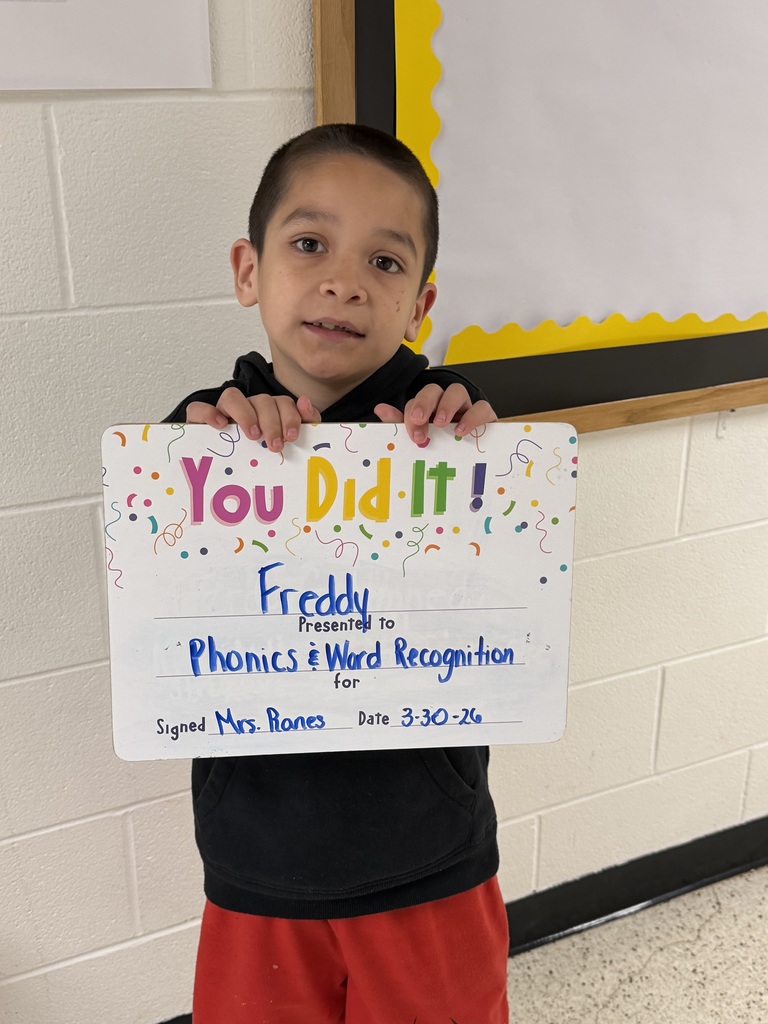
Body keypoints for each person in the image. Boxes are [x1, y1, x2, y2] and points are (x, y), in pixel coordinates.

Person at [165, 123, 509, 1024]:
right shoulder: (199, 438)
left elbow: (505, 573)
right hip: (257, 864)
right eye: (309, 244)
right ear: (250, 270)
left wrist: (471, 428)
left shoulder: (450, 431)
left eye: (385, 264)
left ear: (420, 303)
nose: (343, 281)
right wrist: (198, 436)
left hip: (430, 857)